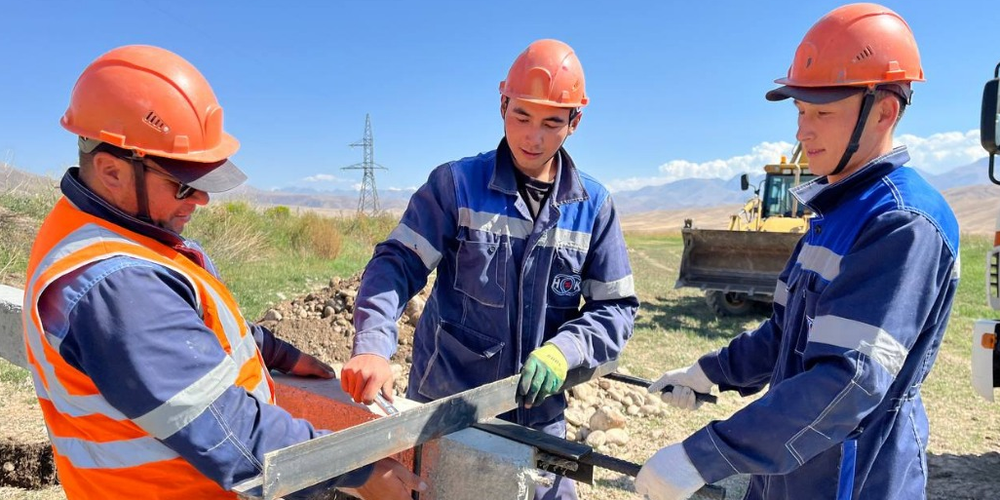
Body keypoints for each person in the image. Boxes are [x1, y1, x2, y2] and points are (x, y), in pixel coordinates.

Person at [21, 45, 425, 500]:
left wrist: (275, 352)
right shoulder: (114, 284)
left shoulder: (109, 231)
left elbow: (185, 329)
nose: (201, 200)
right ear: (111, 170)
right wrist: (360, 471)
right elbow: (233, 436)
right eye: (184, 183)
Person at [635, 4, 960, 500]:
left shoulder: (901, 223)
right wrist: (709, 373)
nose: (802, 132)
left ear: (885, 111)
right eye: (800, 111)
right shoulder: (835, 210)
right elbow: (786, 330)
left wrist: (702, 457)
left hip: (850, 477)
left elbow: (846, 382)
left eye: (822, 113)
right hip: (792, 466)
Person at [340, 38, 638, 499]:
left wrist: (566, 350)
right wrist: (374, 344)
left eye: (551, 123)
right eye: (521, 116)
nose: (532, 137)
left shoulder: (593, 206)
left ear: (575, 122)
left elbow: (616, 308)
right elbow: (395, 264)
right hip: (447, 413)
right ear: (502, 104)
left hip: (540, 421)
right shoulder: (456, 186)